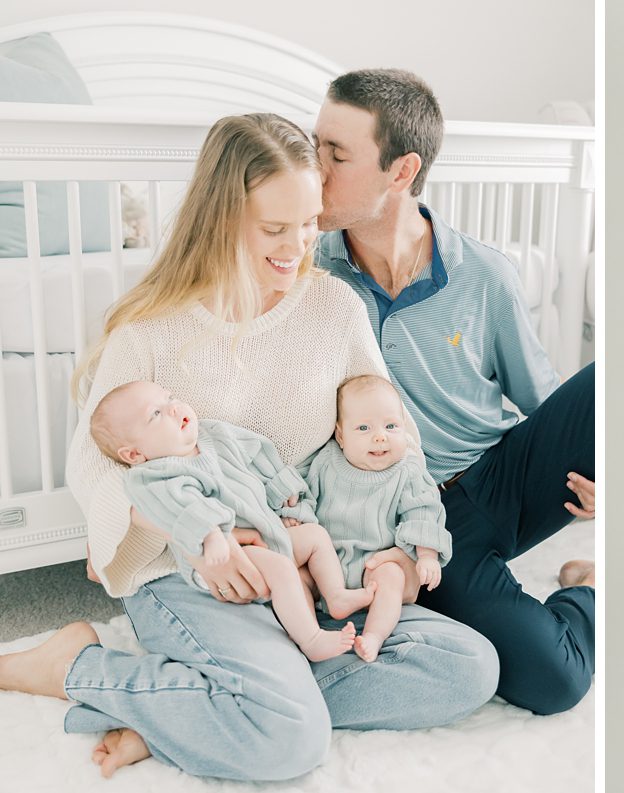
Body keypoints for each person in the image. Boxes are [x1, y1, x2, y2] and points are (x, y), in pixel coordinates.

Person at [0, 113, 498, 781]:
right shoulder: (153, 327)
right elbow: (93, 462)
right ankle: (77, 666)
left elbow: (393, 429)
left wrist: (406, 551)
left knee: (470, 666)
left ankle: (213, 705)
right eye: (274, 228)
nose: (298, 246)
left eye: (308, 222)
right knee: (289, 743)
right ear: (221, 217)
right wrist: (202, 533)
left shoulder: (334, 309)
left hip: (307, 561)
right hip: (199, 571)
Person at [312, 68, 596, 715]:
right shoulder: (311, 276)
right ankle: (589, 587)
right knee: (556, 681)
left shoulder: (486, 274)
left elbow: (544, 400)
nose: (314, 169)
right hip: (419, 523)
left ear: (400, 170)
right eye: (314, 145)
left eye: (336, 154)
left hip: (503, 474)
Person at [90, 379, 375, 661]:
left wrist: (283, 490)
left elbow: (259, 455)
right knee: (280, 570)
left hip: (267, 535)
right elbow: (183, 511)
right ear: (134, 454)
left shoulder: (215, 435)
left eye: (170, 397)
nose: (174, 408)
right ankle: (311, 638)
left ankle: (335, 595)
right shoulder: (158, 476)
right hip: (221, 556)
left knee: (315, 536)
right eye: (156, 413)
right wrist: (212, 536)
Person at [304, 374, 453, 662]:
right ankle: (309, 635)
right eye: (363, 428)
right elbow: (305, 498)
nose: (379, 436)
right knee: (297, 577)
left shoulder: (407, 471)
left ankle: (374, 635)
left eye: (391, 426)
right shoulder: (325, 462)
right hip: (326, 566)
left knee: (391, 578)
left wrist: (426, 556)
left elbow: (422, 511)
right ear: (341, 436)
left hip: (373, 566)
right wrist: (294, 514)